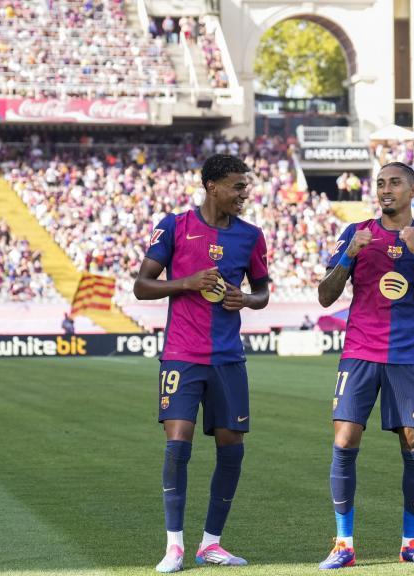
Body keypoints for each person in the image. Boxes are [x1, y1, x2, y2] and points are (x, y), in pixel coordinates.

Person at [134, 155, 270, 573]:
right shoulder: (175, 226)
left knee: (232, 449)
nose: (244, 194)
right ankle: (174, 545)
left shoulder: (251, 237)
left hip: (228, 358)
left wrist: (244, 299)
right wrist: (186, 283)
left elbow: (262, 293)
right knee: (178, 444)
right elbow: (142, 285)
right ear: (212, 186)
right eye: (237, 186)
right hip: (182, 355)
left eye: (246, 187)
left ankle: (211, 543)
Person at [315, 162, 414, 569]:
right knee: (344, 442)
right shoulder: (355, 234)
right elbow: (325, 296)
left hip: (406, 356)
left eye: (394, 183)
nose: (385, 190)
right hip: (358, 352)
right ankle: (343, 544)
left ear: (412, 189)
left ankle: (411, 541)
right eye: (380, 184)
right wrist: (349, 256)